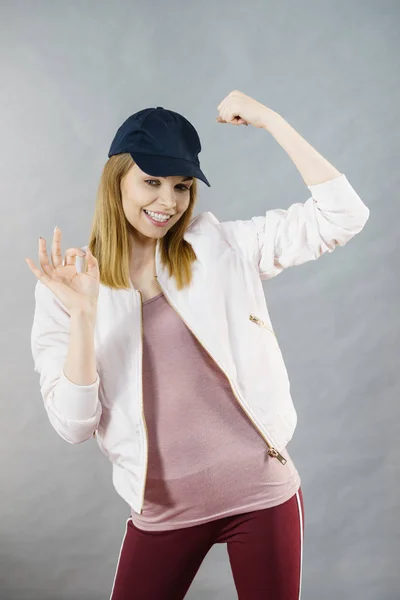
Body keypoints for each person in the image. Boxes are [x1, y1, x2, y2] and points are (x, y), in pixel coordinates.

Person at [26, 90, 370, 600]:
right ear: (115, 181)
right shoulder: (71, 283)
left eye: (182, 186)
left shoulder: (224, 248)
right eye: (151, 182)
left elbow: (344, 216)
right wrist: (82, 316)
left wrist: (272, 120)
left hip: (262, 494)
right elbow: (74, 425)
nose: (167, 202)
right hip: (164, 511)